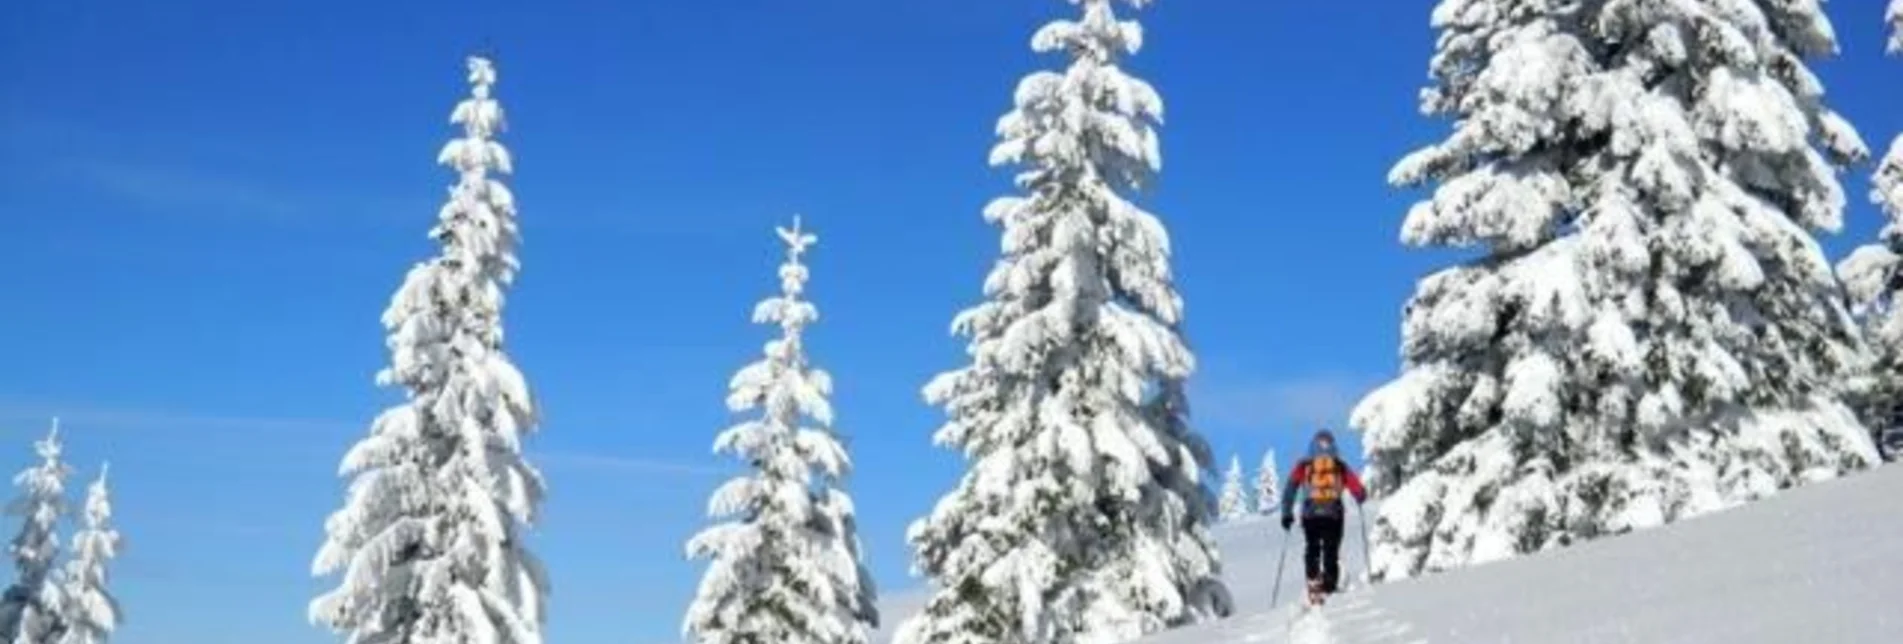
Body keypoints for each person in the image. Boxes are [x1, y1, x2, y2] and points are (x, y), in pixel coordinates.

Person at [1279, 429, 1367, 599]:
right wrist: (1360, 495)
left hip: (1310, 514)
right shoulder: (1339, 465)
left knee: (1312, 547)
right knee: (1331, 550)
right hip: (1333, 514)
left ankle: (1313, 581)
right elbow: (1357, 488)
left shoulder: (1304, 465)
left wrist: (1286, 513)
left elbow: (1290, 489)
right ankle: (1329, 585)